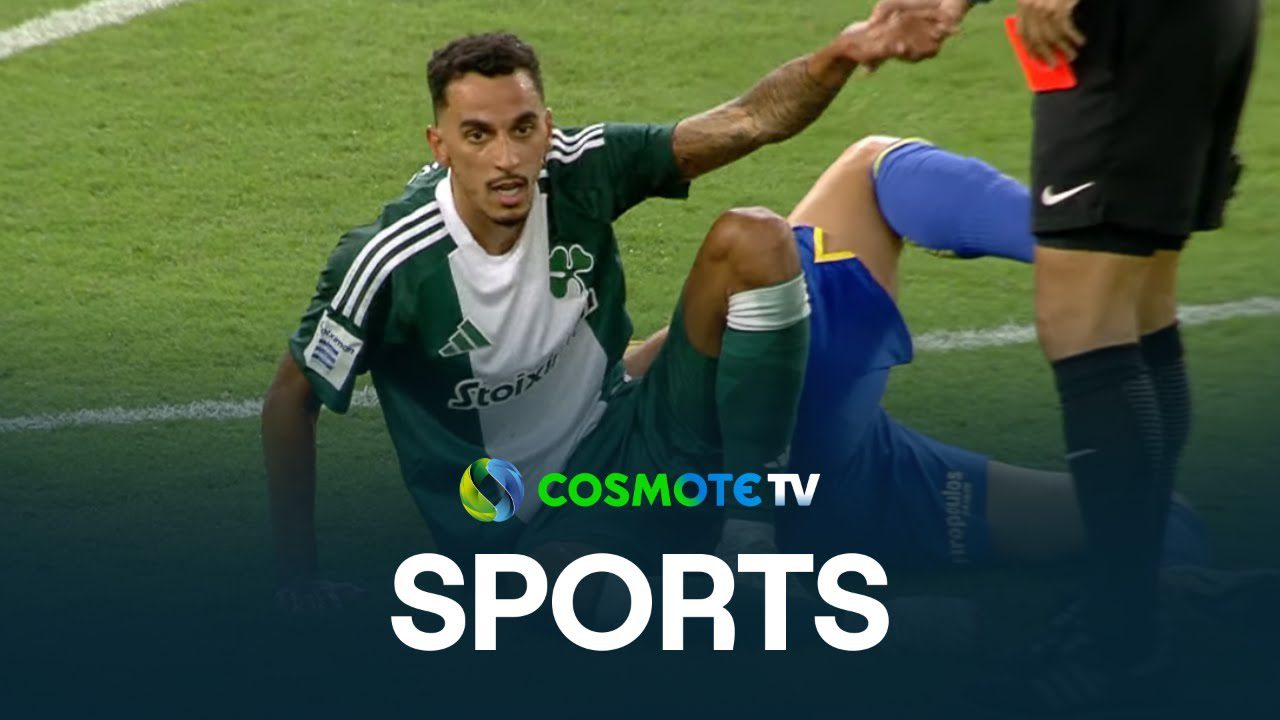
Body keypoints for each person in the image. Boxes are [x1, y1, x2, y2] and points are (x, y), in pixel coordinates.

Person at [262, 8, 956, 612]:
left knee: (756, 239)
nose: (506, 158)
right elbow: (291, 399)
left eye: (522, 129)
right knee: (592, 600)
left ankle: (750, 541)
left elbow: (749, 120)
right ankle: (852, 623)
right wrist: (297, 577)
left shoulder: (577, 168)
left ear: (546, 127)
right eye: (477, 135)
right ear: (439, 146)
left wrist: (843, 53)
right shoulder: (388, 261)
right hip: (521, 520)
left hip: (624, 431)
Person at [621, 136, 1210, 570]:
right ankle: (1086, 242)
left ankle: (1173, 606)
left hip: (800, 506)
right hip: (786, 428)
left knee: (1153, 519)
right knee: (868, 172)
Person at [934, 0, 1260, 712]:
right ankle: (1134, 603)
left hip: (1127, 31)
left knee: (1083, 321)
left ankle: (1122, 650)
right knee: (1138, 305)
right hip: (1196, 24)